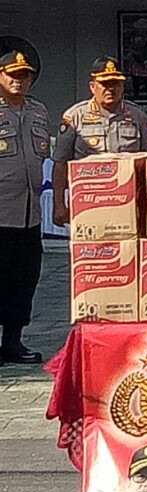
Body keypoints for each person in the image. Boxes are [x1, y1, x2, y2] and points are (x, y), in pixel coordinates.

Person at [52, 56, 147, 227]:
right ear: (92, 87)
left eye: (115, 84)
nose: (110, 89)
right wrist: (59, 205)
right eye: (104, 84)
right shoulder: (74, 117)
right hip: (87, 201)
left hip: (127, 202)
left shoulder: (137, 116)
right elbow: (60, 163)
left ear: (123, 86)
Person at [0, 50, 49, 364]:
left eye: (24, 76)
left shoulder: (39, 111)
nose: (19, 81)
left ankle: (13, 342)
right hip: (0, 214)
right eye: (12, 75)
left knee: (24, 279)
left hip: (29, 213)